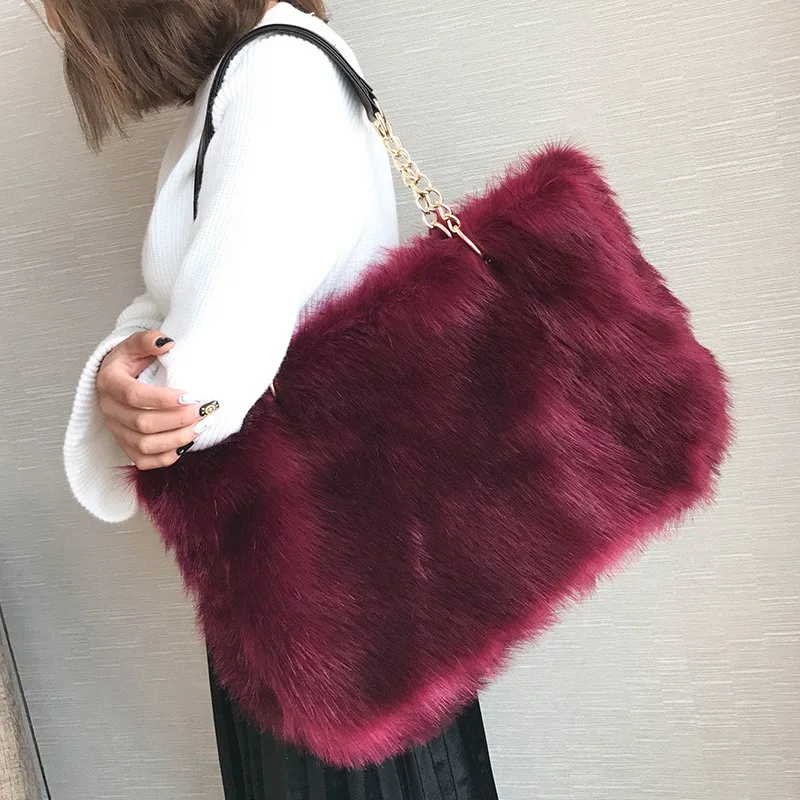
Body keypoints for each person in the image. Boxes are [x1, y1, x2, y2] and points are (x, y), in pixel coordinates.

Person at [48, 0, 500, 797]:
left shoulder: (274, 71)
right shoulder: (243, 79)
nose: (56, 25)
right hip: (329, 586)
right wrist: (126, 362)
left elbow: (201, 385)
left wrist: (140, 388)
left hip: (333, 599)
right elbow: (182, 323)